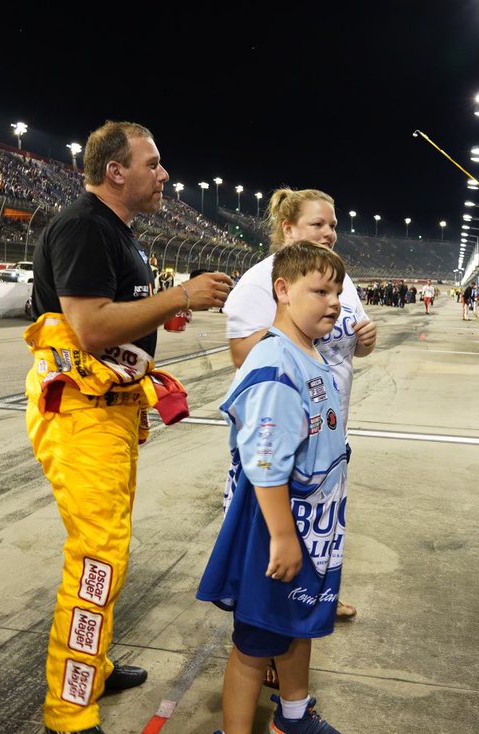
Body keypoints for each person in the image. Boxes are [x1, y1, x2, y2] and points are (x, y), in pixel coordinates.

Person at [23, 120, 232, 734]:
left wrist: (150, 321)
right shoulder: (86, 226)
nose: (164, 174)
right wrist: (177, 299)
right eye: (153, 163)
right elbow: (88, 326)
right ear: (117, 171)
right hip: (81, 416)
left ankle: (94, 663)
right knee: (98, 555)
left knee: (110, 550)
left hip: (109, 413)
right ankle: (69, 711)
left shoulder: (117, 233)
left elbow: (110, 316)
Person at [198, 240, 350, 734]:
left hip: (310, 528)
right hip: (276, 529)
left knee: (296, 626)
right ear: (282, 290)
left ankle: (293, 715)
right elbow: (266, 466)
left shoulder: (309, 351)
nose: (334, 302)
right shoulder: (274, 365)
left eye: (339, 292)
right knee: (255, 642)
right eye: (321, 290)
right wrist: (283, 536)